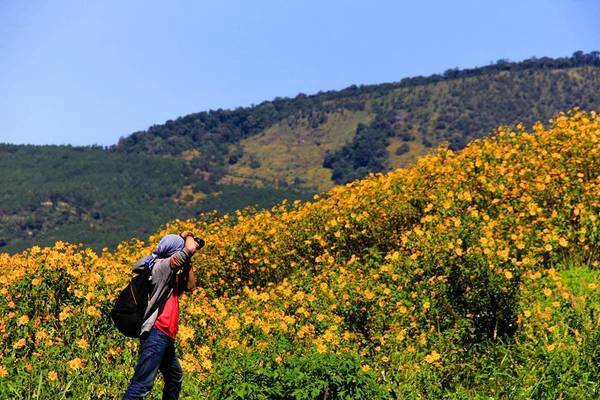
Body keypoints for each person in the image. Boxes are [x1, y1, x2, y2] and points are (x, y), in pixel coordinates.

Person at [123, 231, 201, 400]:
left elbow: (191, 286)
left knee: (174, 378)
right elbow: (183, 254)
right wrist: (188, 242)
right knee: (142, 384)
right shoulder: (162, 267)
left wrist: (188, 262)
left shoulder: (170, 274)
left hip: (164, 336)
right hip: (156, 333)